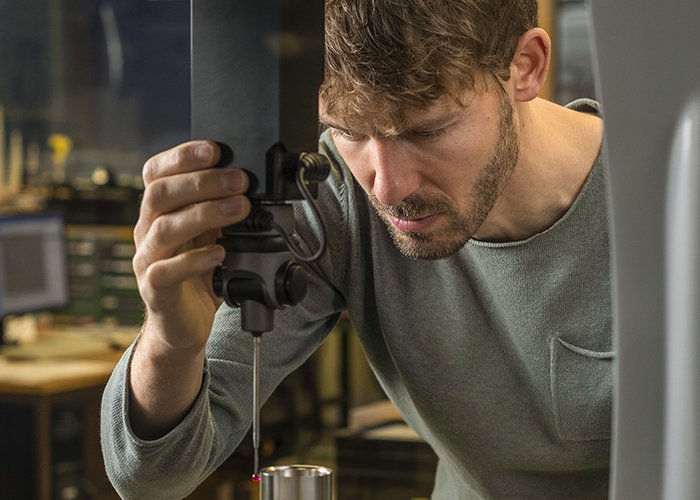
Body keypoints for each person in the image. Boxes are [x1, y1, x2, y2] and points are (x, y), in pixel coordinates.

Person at [100, 0, 612, 498]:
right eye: (347, 131)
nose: (387, 189)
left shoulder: (667, 210)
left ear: (525, 66)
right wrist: (171, 344)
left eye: (426, 130)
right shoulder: (328, 197)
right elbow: (151, 481)